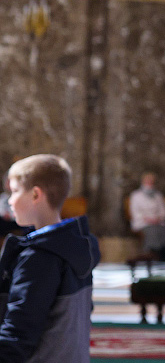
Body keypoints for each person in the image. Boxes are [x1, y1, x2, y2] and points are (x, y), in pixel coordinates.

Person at [0, 154, 100, 362]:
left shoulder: (39, 257)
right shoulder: (78, 244)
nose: (10, 200)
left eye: (15, 191)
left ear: (36, 195)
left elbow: (19, 333)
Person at [129, 172, 165, 261]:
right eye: (147, 182)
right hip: (143, 222)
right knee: (151, 229)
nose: (149, 184)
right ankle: (151, 253)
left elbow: (163, 211)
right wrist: (147, 219)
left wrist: (158, 218)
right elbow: (135, 212)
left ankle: (162, 253)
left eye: (151, 182)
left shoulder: (158, 195)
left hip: (157, 221)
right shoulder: (136, 195)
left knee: (161, 229)